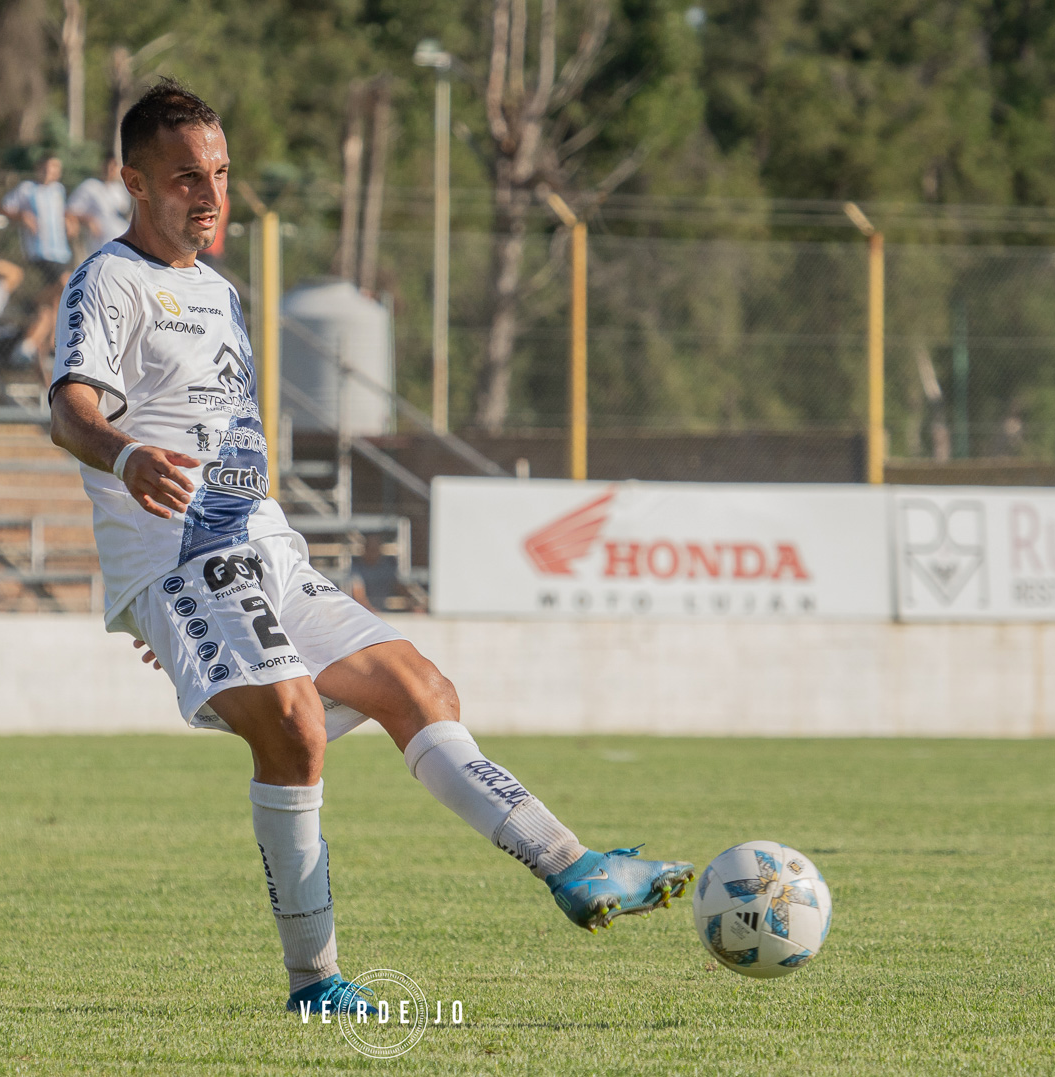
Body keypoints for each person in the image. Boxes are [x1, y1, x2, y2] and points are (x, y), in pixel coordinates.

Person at [48, 80, 694, 1017]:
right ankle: (316, 983)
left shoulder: (221, 294)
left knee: (418, 685)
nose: (211, 194)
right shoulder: (109, 278)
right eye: (187, 176)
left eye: (221, 174)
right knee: (296, 721)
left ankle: (575, 866)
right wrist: (130, 469)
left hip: (260, 548)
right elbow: (69, 409)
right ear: (133, 183)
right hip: (184, 560)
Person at [1, 155, 73, 286]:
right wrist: (21, 215)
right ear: (39, 169)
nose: (49, 172)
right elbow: (3, 207)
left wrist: (69, 221)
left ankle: (37, 304)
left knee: (59, 292)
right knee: (65, 283)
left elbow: (62, 212)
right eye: (46, 168)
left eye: (54, 168)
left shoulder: (58, 190)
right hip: (40, 251)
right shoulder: (27, 188)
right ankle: (34, 302)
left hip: (61, 251)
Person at [65, 154, 132, 259]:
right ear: (102, 166)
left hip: (122, 246)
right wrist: (88, 219)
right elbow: (70, 211)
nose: (110, 170)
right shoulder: (90, 186)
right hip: (101, 248)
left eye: (114, 166)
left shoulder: (120, 190)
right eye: (108, 166)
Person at [346, 532, 402, 613]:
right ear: (365, 549)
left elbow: (400, 587)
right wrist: (371, 611)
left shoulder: (389, 564)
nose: (373, 552)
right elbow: (358, 593)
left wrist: (413, 604)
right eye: (370, 548)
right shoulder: (356, 566)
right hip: (366, 614)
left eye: (376, 548)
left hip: (388, 613)